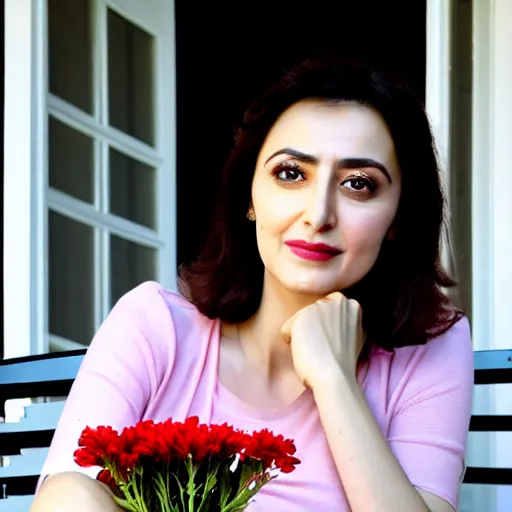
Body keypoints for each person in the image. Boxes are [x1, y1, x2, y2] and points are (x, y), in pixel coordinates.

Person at [32, 58, 473, 512]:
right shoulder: (152, 326)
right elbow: (66, 496)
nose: (318, 215)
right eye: (291, 173)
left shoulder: (432, 349)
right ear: (249, 196)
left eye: (358, 184)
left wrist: (334, 378)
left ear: (399, 215)